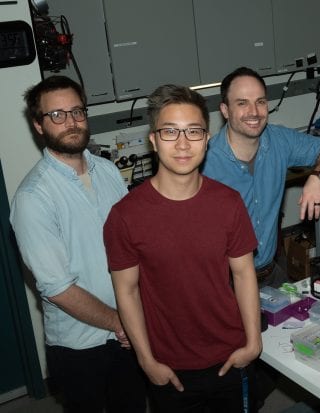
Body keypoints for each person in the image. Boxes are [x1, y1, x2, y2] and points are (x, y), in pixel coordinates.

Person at [103, 84, 262, 412]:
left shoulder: (228, 203)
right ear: (153, 139)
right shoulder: (125, 216)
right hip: (168, 368)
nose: (182, 143)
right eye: (170, 132)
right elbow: (127, 292)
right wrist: (146, 361)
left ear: (206, 139)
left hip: (229, 357)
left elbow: (244, 274)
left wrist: (253, 342)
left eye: (193, 131)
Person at [10, 75, 146, 412]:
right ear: (38, 126)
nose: (70, 122)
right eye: (57, 115)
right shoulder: (33, 197)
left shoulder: (108, 170)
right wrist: (121, 322)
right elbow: (57, 288)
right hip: (81, 348)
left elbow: (132, 245)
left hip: (130, 331)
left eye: (77, 111)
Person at [202, 66, 320, 288]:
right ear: (225, 110)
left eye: (260, 101)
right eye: (242, 103)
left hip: (270, 275)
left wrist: (318, 177)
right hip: (224, 284)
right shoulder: (204, 163)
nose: (254, 112)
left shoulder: (278, 139)